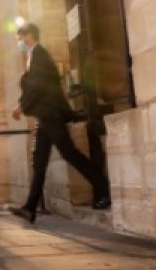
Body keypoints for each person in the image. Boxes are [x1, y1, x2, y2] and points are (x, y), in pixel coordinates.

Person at [9, 23, 111, 224]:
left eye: (20, 38)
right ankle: (30, 208)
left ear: (28, 36)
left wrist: (21, 106)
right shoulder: (34, 55)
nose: (19, 42)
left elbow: (38, 85)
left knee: (70, 154)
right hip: (44, 116)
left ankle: (104, 188)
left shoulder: (39, 54)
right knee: (39, 162)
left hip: (51, 115)